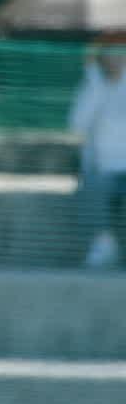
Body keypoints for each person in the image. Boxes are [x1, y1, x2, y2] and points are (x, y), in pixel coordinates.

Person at [69, 31, 126, 268]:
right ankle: (104, 245)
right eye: (110, 52)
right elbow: (77, 124)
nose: (116, 58)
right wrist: (95, 86)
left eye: (121, 52)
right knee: (92, 187)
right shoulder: (93, 86)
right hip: (102, 169)